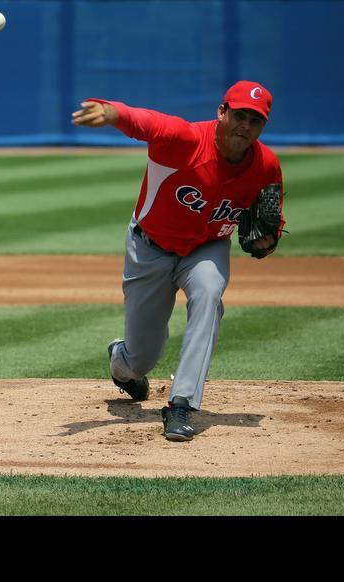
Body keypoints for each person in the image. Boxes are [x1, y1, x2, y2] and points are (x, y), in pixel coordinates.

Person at [71, 81, 285, 442]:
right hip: (149, 249)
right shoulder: (185, 141)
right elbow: (148, 123)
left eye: (255, 120)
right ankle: (122, 361)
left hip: (207, 248)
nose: (245, 126)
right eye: (239, 116)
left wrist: (266, 243)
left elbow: (270, 225)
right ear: (222, 112)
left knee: (209, 296)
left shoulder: (266, 165)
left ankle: (181, 404)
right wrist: (112, 113)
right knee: (141, 358)